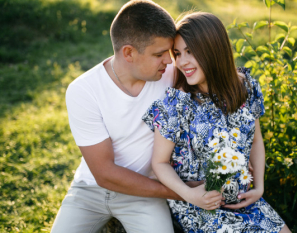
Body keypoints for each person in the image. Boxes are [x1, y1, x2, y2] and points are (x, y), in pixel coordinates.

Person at [51, 1, 202, 232]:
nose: (170, 61)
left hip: (145, 193)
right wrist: (183, 192)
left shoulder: (172, 77)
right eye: (160, 54)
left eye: (169, 52)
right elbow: (104, 174)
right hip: (90, 190)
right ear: (129, 52)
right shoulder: (84, 90)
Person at [142, 12, 291, 233]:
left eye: (191, 52)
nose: (183, 62)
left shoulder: (245, 87)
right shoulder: (176, 103)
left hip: (244, 201)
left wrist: (259, 187)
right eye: (178, 53)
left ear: (213, 49)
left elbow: (256, 141)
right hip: (201, 207)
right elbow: (160, 163)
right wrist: (191, 195)